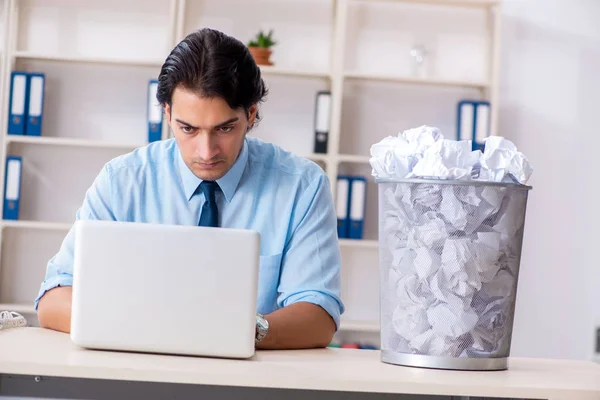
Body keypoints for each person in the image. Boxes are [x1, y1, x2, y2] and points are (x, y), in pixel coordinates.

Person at [35, 28, 345, 349]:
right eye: (188, 129)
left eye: (224, 128)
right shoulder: (123, 180)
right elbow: (54, 298)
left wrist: (239, 330)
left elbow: (319, 316)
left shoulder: (302, 186)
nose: (206, 151)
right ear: (167, 114)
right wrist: (156, 326)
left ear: (250, 114)